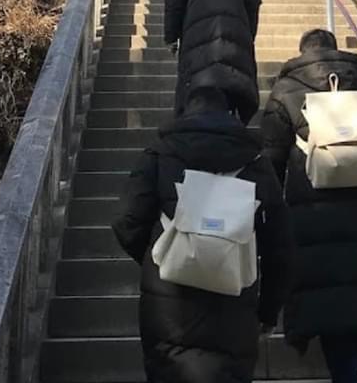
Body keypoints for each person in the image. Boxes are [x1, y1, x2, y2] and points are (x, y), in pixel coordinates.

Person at [261, 28, 357, 383]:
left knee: (329, 287)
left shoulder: (285, 92)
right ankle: (349, 367)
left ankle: (345, 369)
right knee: (354, 285)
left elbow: (270, 157)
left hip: (311, 206)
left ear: (302, 53)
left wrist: (273, 208)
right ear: (336, 51)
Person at [112, 84, 294, 383]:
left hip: (168, 302)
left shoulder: (159, 152)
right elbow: (281, 246)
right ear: (231, 115)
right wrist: (268, 311)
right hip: (234, 299)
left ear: (183, 113)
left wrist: (160, 255)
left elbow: (126, 220)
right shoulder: (256, 161)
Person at [164, 0, 262, 124]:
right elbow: (253, 1)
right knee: (233, 81)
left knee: (195, 80)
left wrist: (171, 36)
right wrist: (249, 33)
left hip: (195, 34)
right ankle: (231, 123)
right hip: (236, 34)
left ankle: (192, 124)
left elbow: (174, 2)